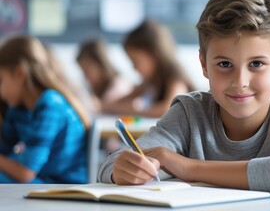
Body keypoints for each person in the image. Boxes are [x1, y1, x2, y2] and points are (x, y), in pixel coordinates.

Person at [98, 0, 270, 194]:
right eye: (225, 64)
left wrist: (190, 168)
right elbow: (112, 163)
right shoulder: (189, 114)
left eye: (256, 64)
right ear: (203, 64)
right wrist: (122, 169)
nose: (240, 81)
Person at [0, 35, 90, 183]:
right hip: (42, 178)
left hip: (64, 185)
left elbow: (25, 173)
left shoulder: (50, 105)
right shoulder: (18, 109)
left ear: (19, 74)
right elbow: (4, 149)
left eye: (1, 80)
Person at [102, 19, 195, 118]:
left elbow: (168, 109)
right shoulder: (150, 83)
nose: (133, 67)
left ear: (155, 55)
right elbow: (113, 103)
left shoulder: (175, 78)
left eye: (136, 61)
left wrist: (133, 110)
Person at [76, 38, 133, 114]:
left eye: (88, 69)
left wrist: (99, 105)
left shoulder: (119, 85)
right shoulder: (90, 87)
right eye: (83, 70)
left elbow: (103, 106)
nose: (85, 74)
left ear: (101, 65)